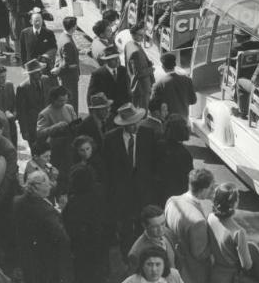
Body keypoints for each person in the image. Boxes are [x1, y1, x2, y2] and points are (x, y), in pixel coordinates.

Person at [104, 102, 158, 259]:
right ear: (123, 125)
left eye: (136, 123)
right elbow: (108, 169)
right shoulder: (110, 138)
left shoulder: (148, 134)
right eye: (130, 124)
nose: (134, 127)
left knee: (143, 226)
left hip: (143, 191)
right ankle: (128, 258)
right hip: (122, 193)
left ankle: (144, 256)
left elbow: (153, 162)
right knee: (125, 228)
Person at [13, 171, 74, 283]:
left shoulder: (17, 202)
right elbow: (61, 237)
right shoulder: (46, 211)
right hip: (45, 257)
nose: (50, 186)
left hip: (25, 252)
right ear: (37, 188)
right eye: (46, 184)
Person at [208, 183, 259, 283]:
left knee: (252, 247)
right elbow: (247, 265)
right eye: (237, 198)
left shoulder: (211, 217)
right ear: (234, 204)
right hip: (232, 278)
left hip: (216, 271)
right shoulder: (238, 232)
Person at [62, 163, 112, 283]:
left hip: (82, 246)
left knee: (84, 274)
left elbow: (69, 226)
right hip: (99, 240)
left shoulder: (75, 202)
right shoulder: (100, 191)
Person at [164, 168, 215, 283]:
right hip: (193, 273)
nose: (213, 190)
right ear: (203, 190)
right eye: (211, 188)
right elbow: (200, 254)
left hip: (175, 263)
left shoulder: (172, 201)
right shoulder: (198, 221)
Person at [36, 85, 78, 188]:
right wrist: (56, 127)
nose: (63, 103)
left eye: (65, 100)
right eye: (60, 101)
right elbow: (40, 133)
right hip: (55, 149)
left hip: (70, 145)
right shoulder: (45, 113)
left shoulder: (69, 108)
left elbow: (75, 123)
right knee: (58, 174)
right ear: (53, 100)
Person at [156, 114, 194, 206]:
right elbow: (188, 179)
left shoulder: (158, 145)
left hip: (159, 191)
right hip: (177, 196)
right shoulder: (185, 154)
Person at [16, 59, 54, 151]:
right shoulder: (23, 87)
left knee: (49, 149)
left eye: (40, 71)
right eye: (37, 72)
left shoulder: (46, 80)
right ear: (30, 74)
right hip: (32, 126)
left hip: (47, 122)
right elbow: (21, 111)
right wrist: (24, 131)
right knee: (36, 150)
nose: (40, 73)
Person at [128, 205, 178, 272]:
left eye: (163, 223)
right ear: (144, 225)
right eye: (155, 226)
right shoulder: (136, 253)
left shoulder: (167, 233)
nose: (161, 229)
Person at [151, 53, 196, 119]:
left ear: (163, 67)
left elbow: (153, 106)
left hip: (168, 123)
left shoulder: (158, 84)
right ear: (175, 65)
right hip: (184, 119)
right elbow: (193, 100)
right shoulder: (187, 80)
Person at [87, 44, 131, 112]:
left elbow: (128, 90)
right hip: (108, 111)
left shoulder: (123, 70)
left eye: (118, 58)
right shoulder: (98, 74)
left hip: (124, 109)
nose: (117, 61)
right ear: (106, 61)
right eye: (114, 59)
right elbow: (91, 96)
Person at [52, 16, 81, 114]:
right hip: (69, 76)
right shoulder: (68, 42)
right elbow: (66, 62)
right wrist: (71, 66)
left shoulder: (63, 36)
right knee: (72, 100)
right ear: (73, 27)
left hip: (66, 76)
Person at [125, 22, 155, 110]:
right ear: (133, 34)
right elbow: (139, 73)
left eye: (143, 35)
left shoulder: (128, 44)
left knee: (136, 108)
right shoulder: (136, 51)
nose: (142, 37)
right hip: (142, 87)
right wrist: (151, 69)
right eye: (140, 35)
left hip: (134, 84)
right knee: (142, 110)